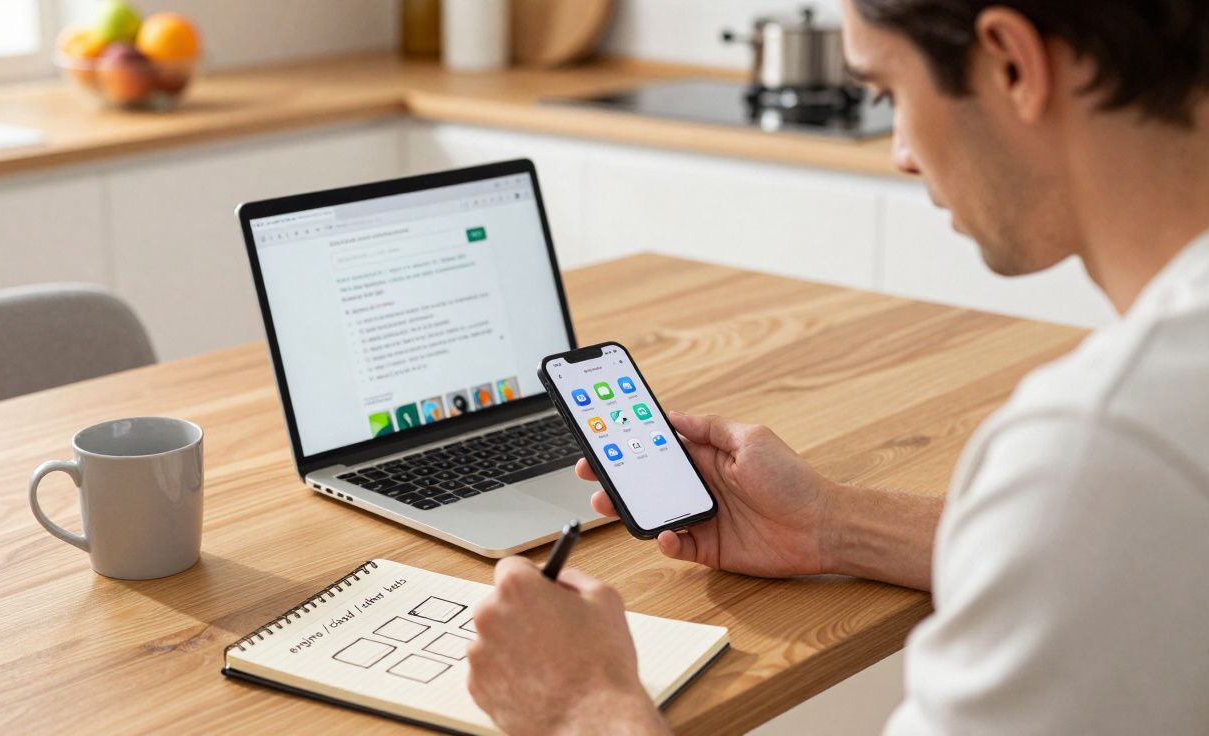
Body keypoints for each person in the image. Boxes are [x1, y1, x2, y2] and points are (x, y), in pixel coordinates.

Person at [466, 0, 1209, 734]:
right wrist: (830, 525)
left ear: (1011, 63)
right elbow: (1084, 555)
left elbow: (1083, 510)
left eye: (888, 93)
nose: (901, 153)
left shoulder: (1102, 444)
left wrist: (582, 707)